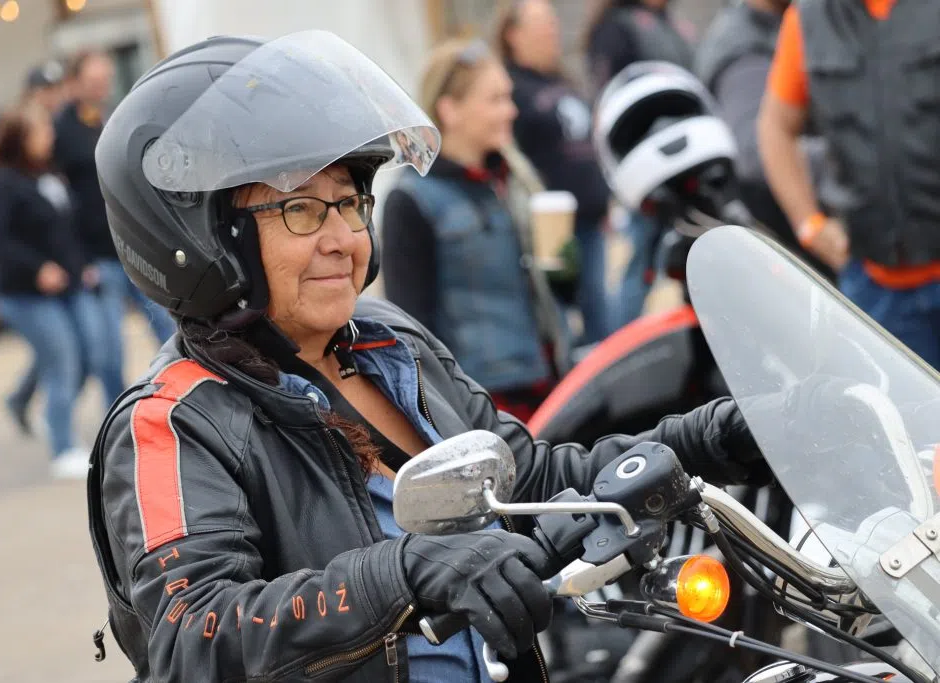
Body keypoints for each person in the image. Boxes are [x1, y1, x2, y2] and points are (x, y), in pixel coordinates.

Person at [87, 32, 769, 683]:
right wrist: (404, 573)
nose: (343, 237)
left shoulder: (390, 346)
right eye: (301, 210)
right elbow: (194, 630)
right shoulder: (175, 421)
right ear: (207, 236)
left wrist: (705, 437)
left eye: (350, 203)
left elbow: (530, 480)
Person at [381, 37, 567, 422]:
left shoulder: (513, 180)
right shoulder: (411, 200)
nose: (511, 111)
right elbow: (411, 329)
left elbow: (546, 292)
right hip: (485, 402)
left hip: (549, 381)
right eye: (496, 99)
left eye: (509, 98)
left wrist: (565, 273)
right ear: (450, 110)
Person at [757, 0, 940, 369]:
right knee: (910, 422)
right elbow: (776, 126)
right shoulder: (809, 19)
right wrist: (808, 224)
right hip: (875, 292)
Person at [0, 102, 123, 478]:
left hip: (70, 286)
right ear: (20, 139)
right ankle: (63, 448)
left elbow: (65, 230)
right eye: (41, 132)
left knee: (90, 353)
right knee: (61, 359)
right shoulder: (3, 182)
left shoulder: (48, 173)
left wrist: (83, 266)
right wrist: (38, 267)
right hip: (24, 294)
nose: (50, 137)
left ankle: (37, 408)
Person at [493, 0, 612, 346]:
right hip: (553, 226)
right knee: (560, 318)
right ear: (513, 35)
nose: (552, 31)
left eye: (552, 23)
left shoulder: (561, 79)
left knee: (598, 314)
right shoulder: (511, 88)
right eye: (541, 24)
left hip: (589, 218)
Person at [53, 49, 177, 369]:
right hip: (97, 254)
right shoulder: (61, 131)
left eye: (105, 80)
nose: (101, 87)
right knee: (109, 349)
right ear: (75, 83)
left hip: (132, 243)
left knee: (168, 329)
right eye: (94, 81)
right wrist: (77, 258)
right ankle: (115, 413)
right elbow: (58, 202)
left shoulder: (113, 118)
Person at [692, 0, 833, 280]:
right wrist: (863, 163)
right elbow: (755, 153)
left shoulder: (783, 24)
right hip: (787, 260)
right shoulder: (743, 47)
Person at [580, 0, 697, 333]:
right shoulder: (617, 28)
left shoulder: (669, 24)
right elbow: (608, 101)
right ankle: (625, 338)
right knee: (639, 265)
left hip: (686, 161)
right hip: (645, 168)